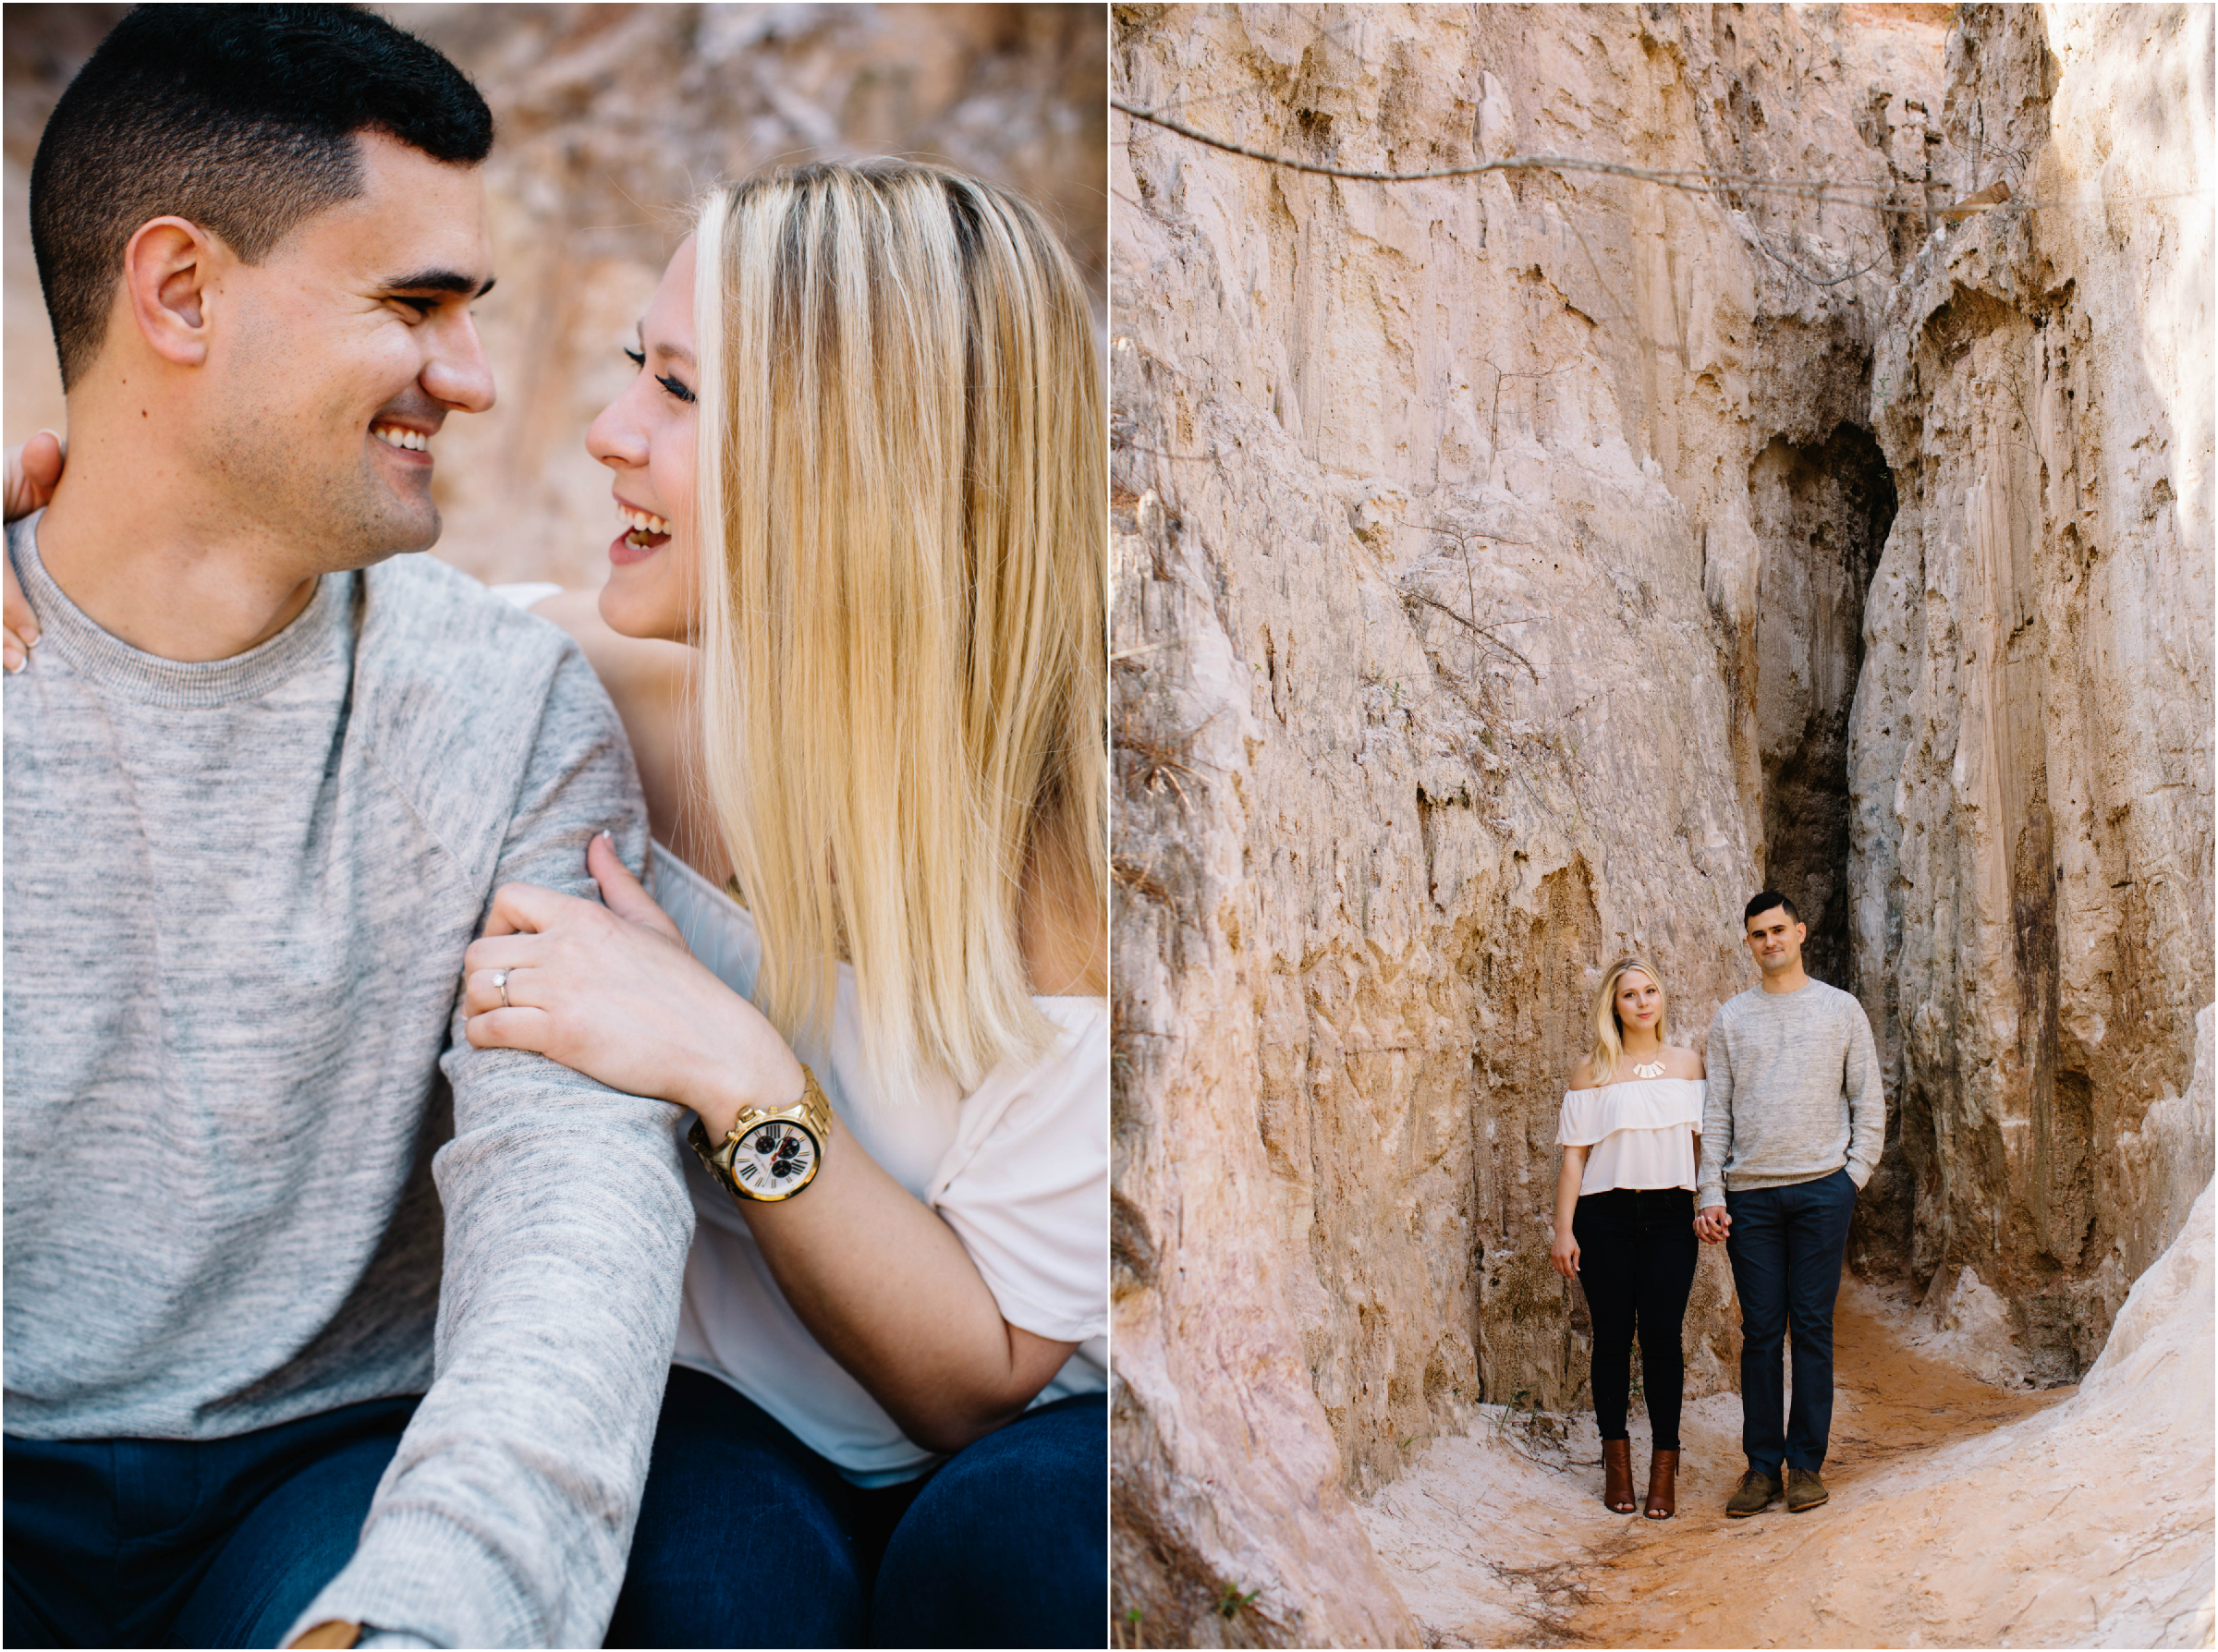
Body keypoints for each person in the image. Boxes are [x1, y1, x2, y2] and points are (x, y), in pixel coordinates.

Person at [2, 9, 695, 1647]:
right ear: (179, 292)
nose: (469, 376)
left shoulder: (505, 706)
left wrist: (431, 1611)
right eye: (413, 304)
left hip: (328, 1477)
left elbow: (569, 1201)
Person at [457, 159, 1106, 1646]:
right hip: (724, 1403)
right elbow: (304, 619)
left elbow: (980, 1371)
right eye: (638, 369)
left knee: (1032, 1556)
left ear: (857, 460)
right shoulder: (585, 692)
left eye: (680, 393)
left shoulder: (1069, 849)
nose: (610, 432)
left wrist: (732, 1063)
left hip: (1014, 1424)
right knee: (710, 1591)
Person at [1695, 892, 1885, 1518]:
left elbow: (1868, 1102)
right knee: (1758, 1333)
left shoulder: (1841, 1010)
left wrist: (1850, 1177)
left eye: (1779, 929)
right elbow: (1715, 1114)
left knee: (1811, 1326)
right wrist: (1712, 1190)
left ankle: (1805, 1466)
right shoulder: (1731, 1020)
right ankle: (1760, 1469)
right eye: (1758, 934)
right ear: (1748, 944)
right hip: (1749, 1198)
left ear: (1800, 932)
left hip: (1820, 1192)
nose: (1770, 941)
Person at [1551, 956, 1705, 1520]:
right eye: (1629, 995)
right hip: (1603, 1216)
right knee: (1612, 1340)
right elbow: (1574, 1161)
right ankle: (1617, 1468)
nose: (1643, 1002)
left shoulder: (1690, 1066)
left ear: (1661, 999)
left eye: (1650, 991)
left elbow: (1703, 1149)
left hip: (1669, 1215)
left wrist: (1710, 1202)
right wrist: (1563, 1230)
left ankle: (1663, 1474)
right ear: (1612, 1007)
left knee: (1664, 1340)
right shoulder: (1591, 1071)